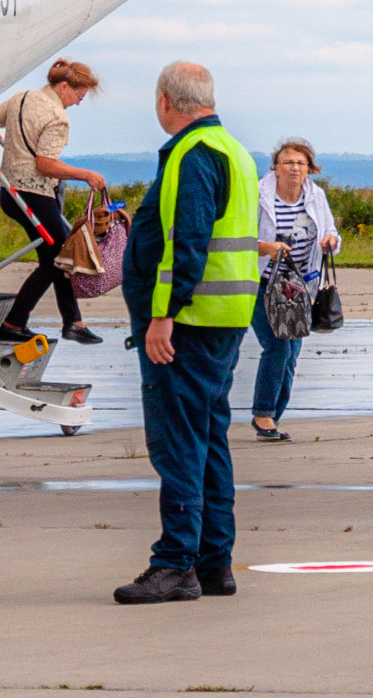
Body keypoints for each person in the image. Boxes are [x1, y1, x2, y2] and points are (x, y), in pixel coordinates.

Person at [113, 61, 260, 605]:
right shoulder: (235, 151)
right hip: (225, 318)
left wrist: (163, 313)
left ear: (166, 102)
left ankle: (176, 562)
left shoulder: (192, 155)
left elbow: (188, 238)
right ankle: (213, 559)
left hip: (191, 322)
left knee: (179, 441)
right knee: (208, 436)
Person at [0, 59, 110, 348]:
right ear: (64, 87)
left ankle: (73, 323)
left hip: (9, 194)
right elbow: (45, 164)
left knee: (56, 257)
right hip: (35, 196)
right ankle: (16, 322)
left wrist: (9, 118)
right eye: (78, 96)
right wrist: (85, 174)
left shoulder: (21, 97)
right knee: (60, 258)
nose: (77, 103)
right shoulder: (58, 118)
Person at [248, 138, 341, 441]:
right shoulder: (258, 196)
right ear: (275, 167)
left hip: (299, 288)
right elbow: (239, 239)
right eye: (288, 162)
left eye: (301, 163)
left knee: (290, 355)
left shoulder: (316, 197)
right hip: (262, 284)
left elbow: (331, 231)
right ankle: (263, 417)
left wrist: (330, 241)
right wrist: (266, 247)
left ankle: (272, 415)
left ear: (309, 169)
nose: (294, 168)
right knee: (277, 347)